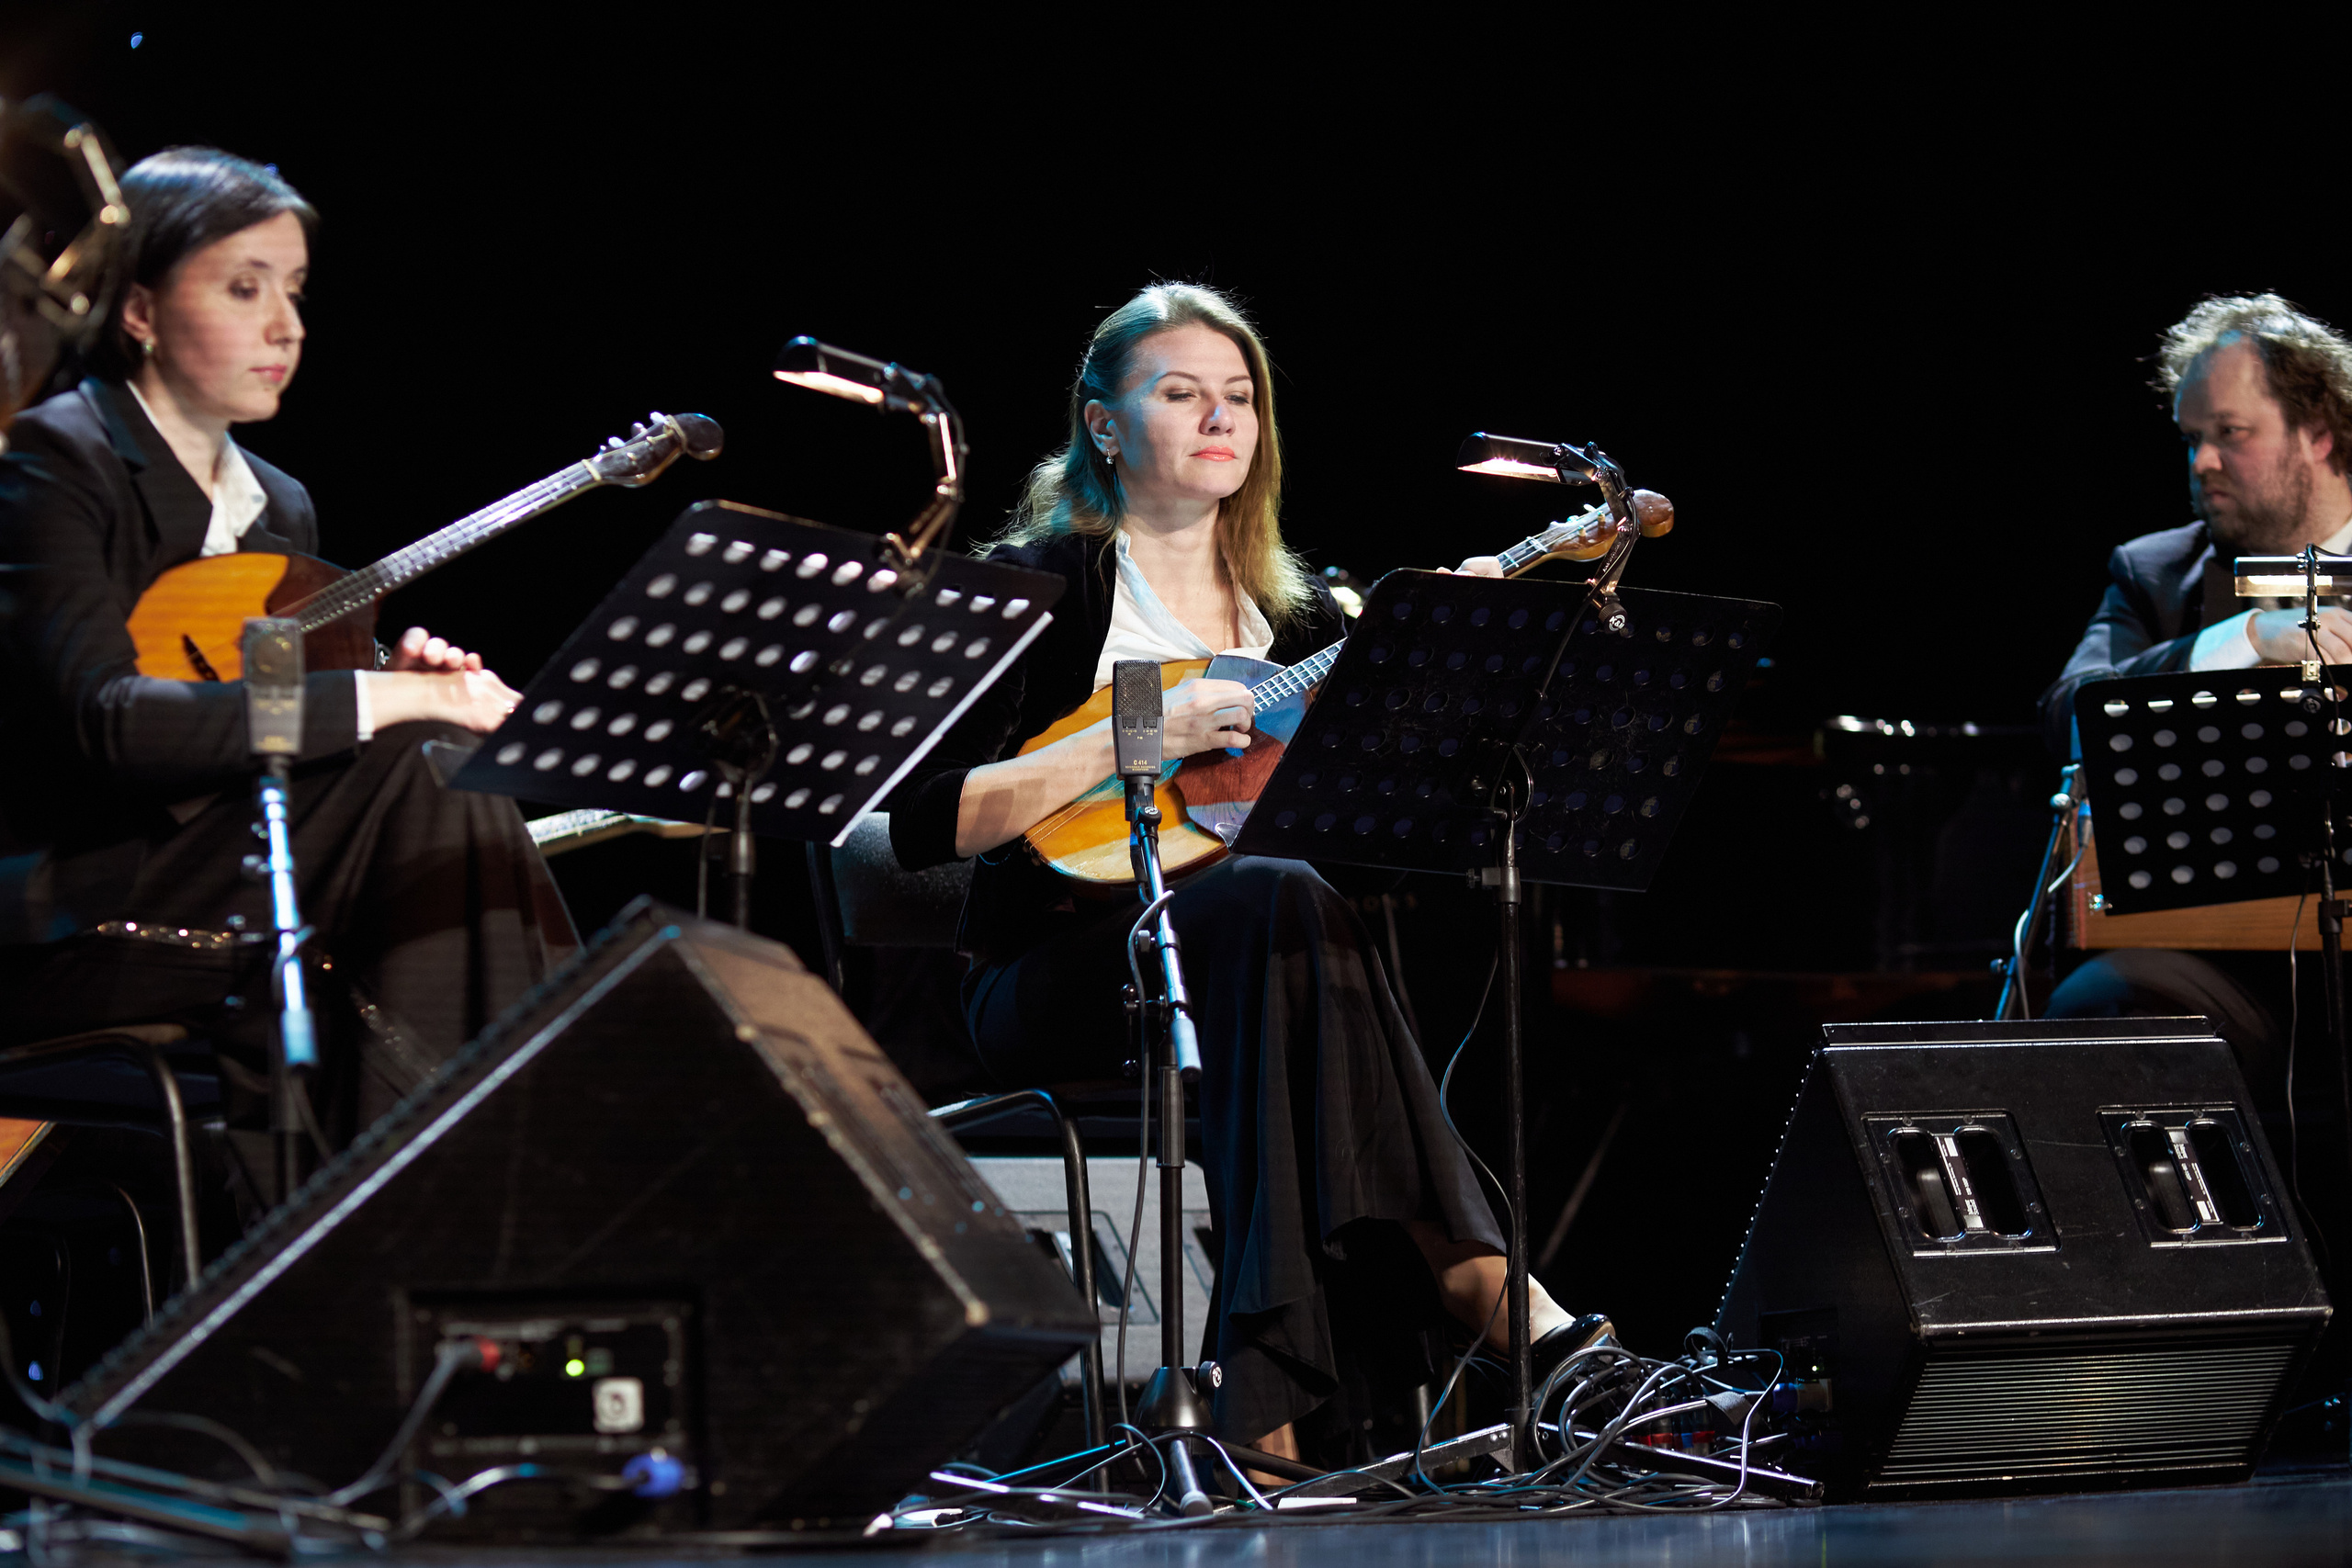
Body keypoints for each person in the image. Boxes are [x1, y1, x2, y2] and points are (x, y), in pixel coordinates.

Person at [887, 282, 1607, 1467]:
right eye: (1180, 395)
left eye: (1239, 399)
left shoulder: (1306, 612)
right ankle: (1491, 1292)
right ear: (1104, 426)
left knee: (1284, 928)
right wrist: (1138, 737)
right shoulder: (1040, 586)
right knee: (1280, 919)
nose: (1220, 419)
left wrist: (1433, 681)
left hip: (1261, 969)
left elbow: (1370, 842)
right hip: (1059, 971)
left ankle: (1260, 1432)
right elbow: (921, 823)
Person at [0, 146, 573, 1156]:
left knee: (427, 776)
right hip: (75, 912)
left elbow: (283, 737)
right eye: (243, 287)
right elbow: (112, 724)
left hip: (248, 876)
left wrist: (395, 689)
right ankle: (513, 1145)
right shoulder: (54, 463)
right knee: (413, 767)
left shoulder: (280, 501)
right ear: (137, 311)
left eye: (296, 291)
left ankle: (461, 1165)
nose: (287, 326)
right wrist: (379, 706)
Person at [2040, 295, 2352, 1109]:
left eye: (2231, 433)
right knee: (2108, 1000)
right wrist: (2248, 639)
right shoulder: (2156, 575)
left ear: (2319, 431)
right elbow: (2070, 709)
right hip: (2227, 958)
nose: (2203, 461)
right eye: (2193, 439)